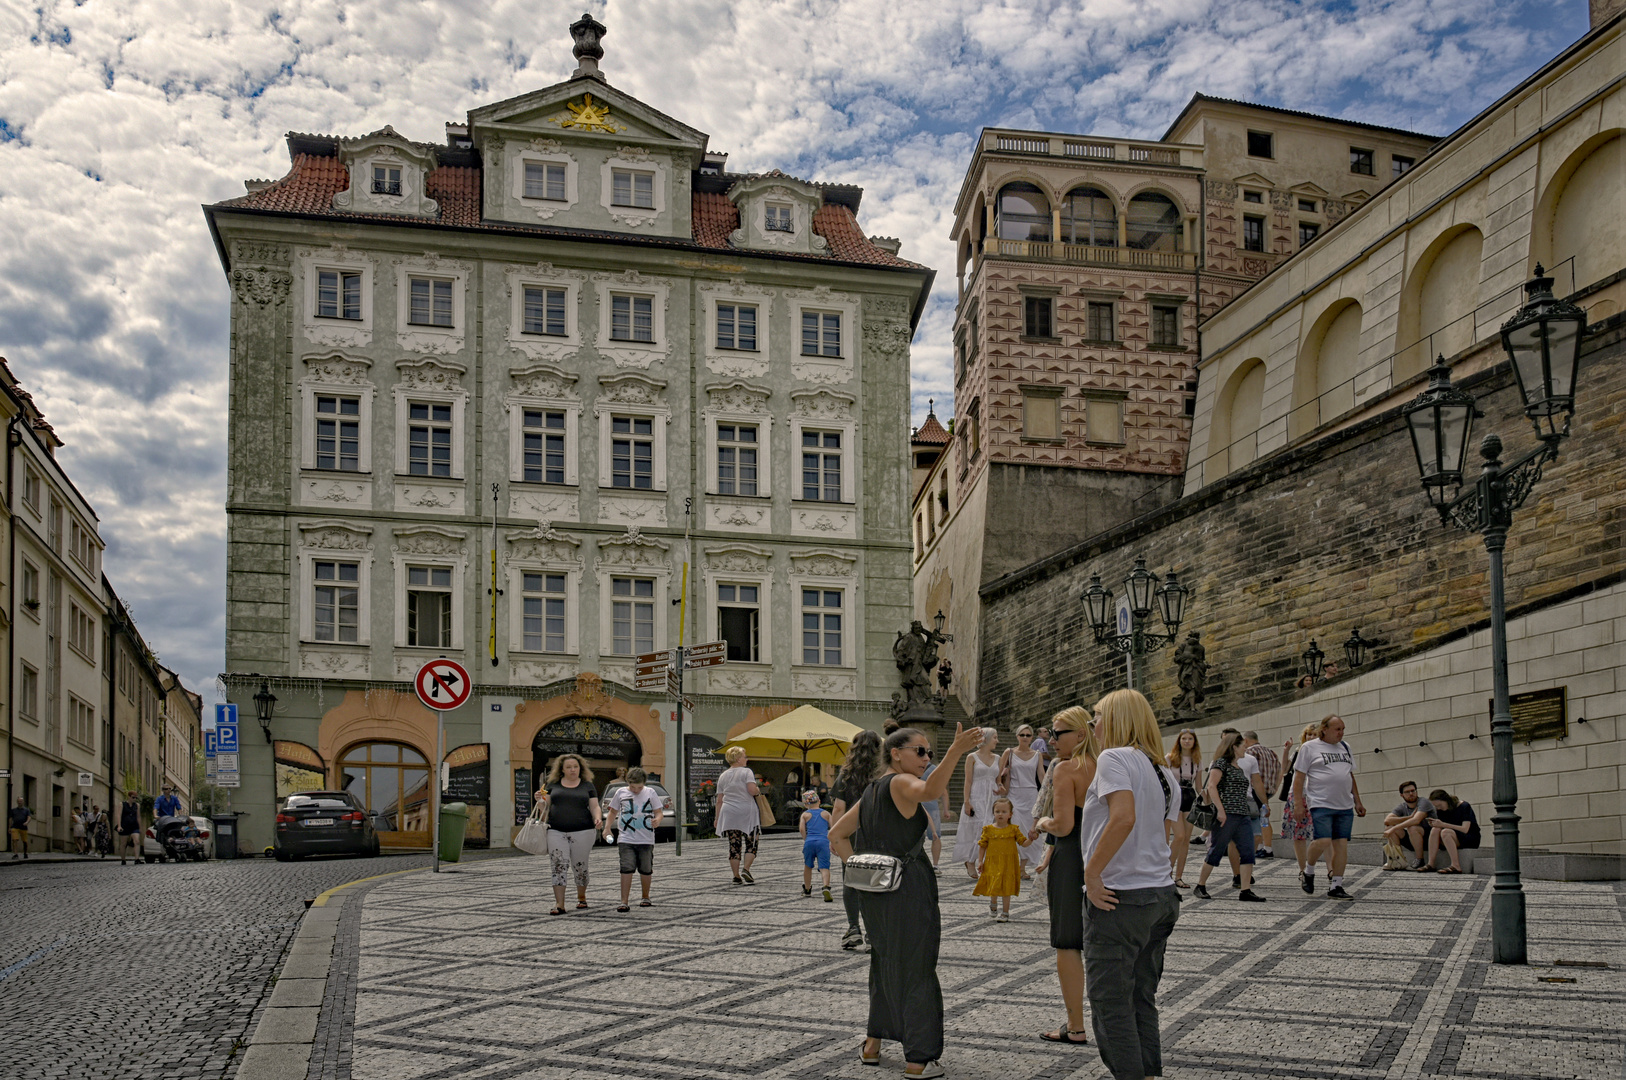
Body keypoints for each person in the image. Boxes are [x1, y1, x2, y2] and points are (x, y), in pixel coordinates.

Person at [831, 723, 983, 1078]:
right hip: (908, 889)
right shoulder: (899, 782)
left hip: (876, 892)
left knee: (884, 964)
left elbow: (837, 835)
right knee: (916, 967)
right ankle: (918, 1059)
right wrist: (956, 751)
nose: (927, 757)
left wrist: (864, 869)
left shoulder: (871, 790)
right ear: (895, 753)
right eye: (920, 751)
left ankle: (873, 1045)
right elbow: (931, 788)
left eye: (930, 752)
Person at [1080, 689, 1182, 1080]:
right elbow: (1167, 832)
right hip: (1159, 894)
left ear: (1118, 719)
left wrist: (1092, 874)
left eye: (1097, 716)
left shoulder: (1114, 758)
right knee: (1141, 996)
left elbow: (1122, 818)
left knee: (1110, 1001)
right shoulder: (1163, 770)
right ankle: (1148, 1072)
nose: (1093, 725)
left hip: (1120, 896)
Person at [1034, 706, 1098, 1045]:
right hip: (1106, 857)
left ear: (1081, 734)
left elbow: (1063, 825)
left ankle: (1075, 1026)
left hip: (1071, 855)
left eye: (1058, 733)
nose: (1051, 739)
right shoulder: (1109, 765)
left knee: (1068, 942)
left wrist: (1043, 823)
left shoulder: (1066, 769)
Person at [1292, 715, 1366, 900]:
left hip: (1344, 804)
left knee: (1341, 845)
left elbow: (1349, 775)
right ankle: (1308, 870)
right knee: (1323, 840)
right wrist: (1298, 803)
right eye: (1337, 729)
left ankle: (1337, 885)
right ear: (1324, 729)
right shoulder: (1309, 747)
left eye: (1342, 729)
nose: (1341, 733)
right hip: (1321, 802)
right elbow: (1299, 777)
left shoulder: (1345, 747)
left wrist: (1357, 800)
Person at [1192, 732, 1267, 901]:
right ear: (1234, 747)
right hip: (1227, 814)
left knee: (1248, 851)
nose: (1245, 749)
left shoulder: (1239, 766)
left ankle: (1245, 890)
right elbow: (1212, 786)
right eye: (1243, 746)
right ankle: (1201, 885)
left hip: (1242, 814)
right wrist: (1220, 810)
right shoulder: (1221, 764)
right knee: (1217, 849)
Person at [832, 730, 884, 950]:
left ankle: (854, 929)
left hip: (851, 836)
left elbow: (838, 808)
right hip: (877, 833)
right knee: (875, 882)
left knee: (851, 880)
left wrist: (835, 837)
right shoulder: (883, 774)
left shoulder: (846, 774)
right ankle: (874, 932)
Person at [537, 753, 602, 915]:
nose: (573, 770)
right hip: (556, 830)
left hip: (583, 830)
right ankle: (560, 904)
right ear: (562, 769)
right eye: (569, 767)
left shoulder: (587, 785)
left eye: (575, 767)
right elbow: (545, 807)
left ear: (580, 768)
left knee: (580, 867)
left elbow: (594, 806)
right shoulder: (552, 784)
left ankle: (581, 896)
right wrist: (539, 800)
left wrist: (598, 818)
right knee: (558, 865)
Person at [605, 767, 663, 912]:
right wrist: (606, 828)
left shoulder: (651, 792)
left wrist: (658, 820)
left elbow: (658, 811)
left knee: (646, 869)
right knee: (626, 868)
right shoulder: (621, 792)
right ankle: (624, 901)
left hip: (646, 838)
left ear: (644, 784)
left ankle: (645, 896)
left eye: (639, 787)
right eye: (632, 787)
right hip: (626, 838)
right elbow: (612, 812)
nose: (636, 790)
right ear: (628, 783)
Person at [974, 796, 1037, 921]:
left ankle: (1005, 912)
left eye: (1004, 812)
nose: (1000, 814)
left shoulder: (1014, 829)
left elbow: (1023, 843)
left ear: (1010, 814)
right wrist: (980, 861)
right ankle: (993, 904)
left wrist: (1031, 839)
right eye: (997, 811)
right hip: (993, 863)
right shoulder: (988, 829)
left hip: (1009, 864)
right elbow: (982, 846)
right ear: (993, 813)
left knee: (1006, 888)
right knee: (994, 884)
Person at [949, 727, 1001, 878]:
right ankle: (970, 861)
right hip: (976, 796)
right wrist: (966, 801)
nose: (997, 741)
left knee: (990, 831)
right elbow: (968, 781)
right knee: (978, 829)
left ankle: (983, 862)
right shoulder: (972, 757)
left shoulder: (997, 758)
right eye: (995, 737)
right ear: (985, 739)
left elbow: (998, 781)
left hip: (992, 798)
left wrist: (1001, 786)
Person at [998, 725, 1047, 876]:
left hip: (1031, 794)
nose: (1025, 737)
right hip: (1014, 794)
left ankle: (1022, 868)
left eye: (1028, 735)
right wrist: (1000, 783)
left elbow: (1041, 775)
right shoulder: (1009, 752)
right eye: (1022, 735)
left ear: (1032, 737)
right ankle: (1011, 864)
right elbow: (998, 773)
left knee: (1029, 831)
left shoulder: (1037, 754)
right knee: (1014, 829)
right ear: (1017, 736)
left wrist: (1047, 792)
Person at [714, 746, 762, 885]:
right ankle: (746, 869)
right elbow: (752, 790)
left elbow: (719, 800)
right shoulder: (746, 772)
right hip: (746, 811)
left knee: (734, 844)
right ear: (738, 758)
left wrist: (717, 818)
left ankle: (736, 875)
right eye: (744, 756)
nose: (746, 758)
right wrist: (758, 790)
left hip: (729, 812)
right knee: (752, 841)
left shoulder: (723, 775)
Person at [1277, 722, 1320, 877]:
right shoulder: (1299, 750)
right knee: (1298, 835)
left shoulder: (1323, 750)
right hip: (1297, 796)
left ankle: (1325, 869)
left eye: (1314, 734)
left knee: (1321, 834)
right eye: (1309, 734)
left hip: (1316, 796)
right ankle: (1302, 869)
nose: (1311, 737)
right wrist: (1286, 750)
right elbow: (1284, 770)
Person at [1165, 729, 1202, 888]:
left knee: (1186, 839)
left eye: (1190, 739)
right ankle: (1168, 872)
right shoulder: (1170, 758)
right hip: (1174, 797)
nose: (1187, 741)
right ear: (1179, 741)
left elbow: (1199, 786)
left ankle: (1178, 877)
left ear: (1194, 742)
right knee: (1178, 836)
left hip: (1189, 797)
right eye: (1184, 738)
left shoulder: (1197, 760)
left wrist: (1207, 802)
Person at [1242, 731, 1280, 858]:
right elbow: (1280, 770)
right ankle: (1264, 847)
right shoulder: (1271, 752)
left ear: (1246, 740)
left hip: (1255, 789)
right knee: (1263, 817)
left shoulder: (1250, 752)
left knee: (1261, 819)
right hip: (1269, 789)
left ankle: (1266, 848)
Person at [1383, 780, 1436, 870]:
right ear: (1401, 795)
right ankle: (1397, 860)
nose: (1411, 793)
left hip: (1430, 838)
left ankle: (1420, 859)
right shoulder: (1402, 806)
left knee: (1412, 827)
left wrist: (1395, 827)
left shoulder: (1423, 802)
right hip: (1413, 839)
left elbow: (1416, 820)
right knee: (1389, 827)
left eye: (1413, 791)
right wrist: (1408, 817)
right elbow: (1387, 821)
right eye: (1407, 792)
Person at [1424, 789, 1480, 873]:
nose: (1438, 808)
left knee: (1445, 831)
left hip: (1469, 837)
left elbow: (1465, 829)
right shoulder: (1440, 810)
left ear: (1446, 800)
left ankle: (1456, 865)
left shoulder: (1464, 806)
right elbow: (1441, 826)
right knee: (1435, 829)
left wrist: (1443, 824)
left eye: (1440, 805)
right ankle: (1431, 864)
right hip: (1451, 837)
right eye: (1436, 807)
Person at [799, 790, 834, 901]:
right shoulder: (826, 814)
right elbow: (833, 828)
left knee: (808, 866)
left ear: (805, 804)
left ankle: (808, 889)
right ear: (819, 801)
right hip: (823, 842)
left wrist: (806, 839)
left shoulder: (805, 814)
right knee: (824, 867)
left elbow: (801, 829)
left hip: (809, 842)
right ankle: (826, 886)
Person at [919, 760, 943, 870]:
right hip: (930, 805)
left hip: (918, 804)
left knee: (935, 835)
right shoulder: (935, 769)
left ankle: (934, 864)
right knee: (935, 836)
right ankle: (935, 864)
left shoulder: (911, 766)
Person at [117, 793, 141, 865]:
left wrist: (140, 827)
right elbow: (119, 815)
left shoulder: (137, 805)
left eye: (136, 798)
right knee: (124, 843)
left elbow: (138, 816)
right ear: (129, 797)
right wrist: (119, 826)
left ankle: (137, 859)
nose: (134, 799)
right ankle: (123, 859)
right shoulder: (122, 804)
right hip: (125, 825)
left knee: (136, 841)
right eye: (133, 797)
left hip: (134, 825)